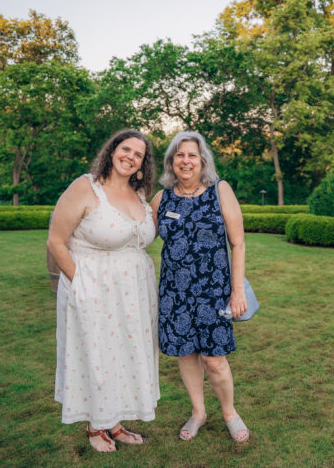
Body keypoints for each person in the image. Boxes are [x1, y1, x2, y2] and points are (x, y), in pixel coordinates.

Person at [48, 129, 159, 453]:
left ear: (142, 164)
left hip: (133, 295)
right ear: (112, 151)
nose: (131, 157)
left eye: (138, 155)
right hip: (93, 289)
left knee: (124, 356)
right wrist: (79, 282)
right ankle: (95, 426)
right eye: (126, 149)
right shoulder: (85, 187)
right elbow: (55, 241)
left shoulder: (139, 194)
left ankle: (115, 423)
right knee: (95, 356)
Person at [150, 131, 250, 443]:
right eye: (180, 155)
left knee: (214, 359)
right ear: (171, 162)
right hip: (175, 294)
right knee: (187, 355)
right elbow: (136, 237)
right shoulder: (161, 198)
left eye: (192, 155)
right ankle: (198, 412)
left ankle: (230, 413)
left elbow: (238, 243)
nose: (186, 161)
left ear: (202, 160)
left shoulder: (220, 190)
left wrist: (237, 291)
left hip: (213, 293)